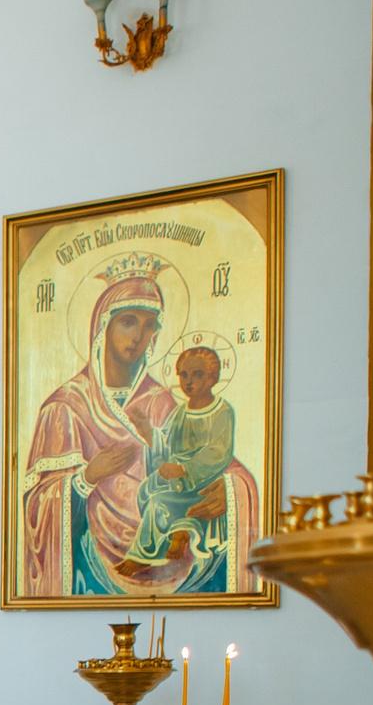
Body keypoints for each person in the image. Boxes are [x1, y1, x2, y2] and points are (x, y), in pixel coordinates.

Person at [18, 256, 262, 597]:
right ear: (104, 327)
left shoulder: (163, 402)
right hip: (92, 568)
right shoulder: (66, 408)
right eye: (129, 322)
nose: (139, 336)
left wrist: (230, 491)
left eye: (149, 326)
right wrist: (87, 478)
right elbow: (36, 507)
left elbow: (213, 459)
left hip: (180, 562)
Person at [124, 344, 238, 572]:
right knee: (146, 490)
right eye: (183, 375)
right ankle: (179, 531)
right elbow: (165, 443)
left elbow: (218, 452)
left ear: (213, 377)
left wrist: (184, 469)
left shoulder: (222, 411)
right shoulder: (180, 412)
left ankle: (144, 554)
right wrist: (148, 430)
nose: (189, 381)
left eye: (197, 374)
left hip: (201, 480)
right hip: (176, 475)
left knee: (159, 502)